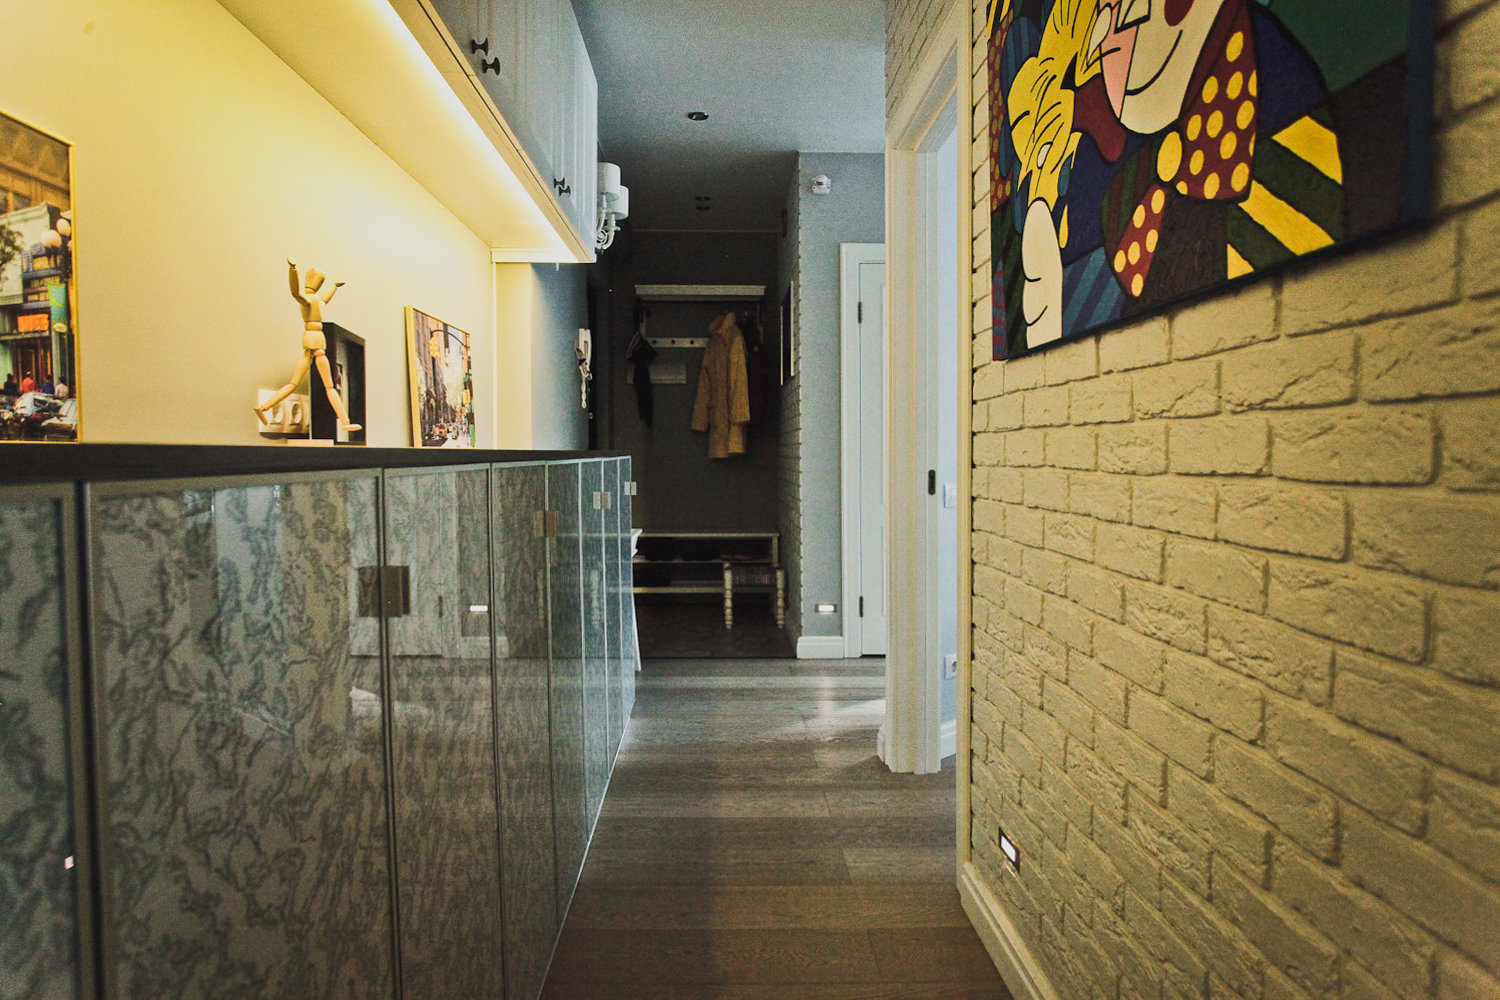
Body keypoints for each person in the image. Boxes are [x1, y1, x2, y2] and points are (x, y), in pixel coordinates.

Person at [254, 257, 361, 433]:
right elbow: (295, 292)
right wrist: (293, 269)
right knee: (326, 385)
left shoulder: (316, 300)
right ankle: (345, 421)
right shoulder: (307, 300)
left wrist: (334, 287)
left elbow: (325, 298)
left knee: (298, 383)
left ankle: (264, 407)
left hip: (316, 339)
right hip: (314, 340)